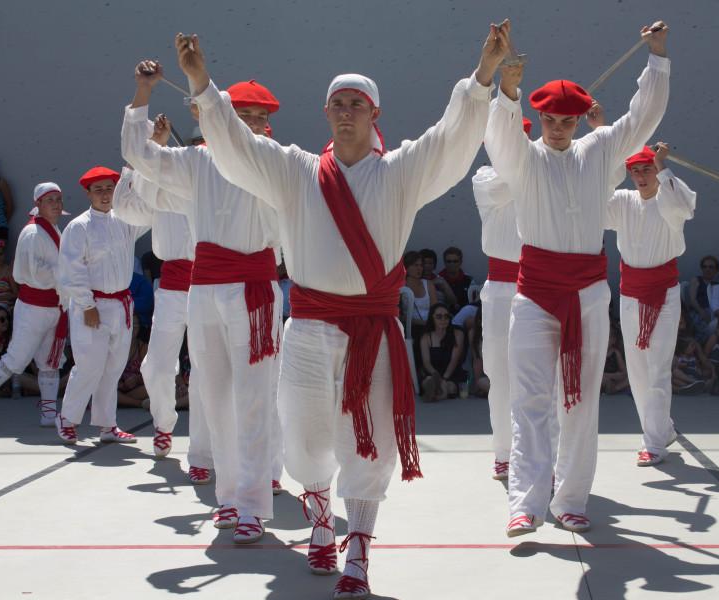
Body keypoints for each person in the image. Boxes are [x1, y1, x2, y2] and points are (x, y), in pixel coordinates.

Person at [180, 21, 507, 596]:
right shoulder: (296, 170)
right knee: (305, 440)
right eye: (337, 104)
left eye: (357, 104)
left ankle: (357, 543)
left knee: (369, 439)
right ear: (326, 113)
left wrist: (483, 75)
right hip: (307, 326)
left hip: (372, 330)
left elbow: (452, 137)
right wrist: (203, 85)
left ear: (374, 113)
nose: (346, 112)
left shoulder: (401, 170)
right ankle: (319, 520)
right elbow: (236, 146)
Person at [484, 21, 669, 535]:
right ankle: (525, 502)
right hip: (535, 293)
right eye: (550, 119)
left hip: (587, 294)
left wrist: (655, 58)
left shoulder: (601, 152)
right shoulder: (523, 160)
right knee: (531, 399)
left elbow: (643, 118)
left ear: (579, 119)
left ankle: (571, 499)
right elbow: (500, 138)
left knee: (581, 399)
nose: (559, 127)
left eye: (567, 120)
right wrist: (509, 89)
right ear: (539, 117)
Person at [123, 63, 285, 544]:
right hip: (205, 290)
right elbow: (139, 155)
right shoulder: (196, 163)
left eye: (260, 117)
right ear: (222, 117)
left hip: (254, 292)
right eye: (243, 115)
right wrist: (142, 92)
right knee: (213, 398)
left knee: (255, 398)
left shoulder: (274, 159)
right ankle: (230, 497)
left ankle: (254, 504)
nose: (252, 125)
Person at [113, 160, 214, 484]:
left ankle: (201, 454)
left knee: (204, 373)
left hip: (208, 286)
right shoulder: (159, 187)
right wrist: (134, 167)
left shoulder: (214, 184)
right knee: (155, 366)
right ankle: (163, 423)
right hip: (171, 288)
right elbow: (125, 211)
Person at [605, 142, 695, 466]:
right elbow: (592, 201)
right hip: (630, 293)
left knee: (657, 369)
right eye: (636, 171)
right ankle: (661, 429)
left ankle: (654, 443)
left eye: (647, 169)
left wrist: (664, 165)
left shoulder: (669, 199)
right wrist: (602, 135)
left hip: (664, 294)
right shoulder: (623, 201)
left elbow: (686, 206)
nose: (641, 176)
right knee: (638, 371)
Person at [55, 166, 150, 445]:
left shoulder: (125, 220)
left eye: (110, 188)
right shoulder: (79, 226)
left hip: (121, 304)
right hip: (92, 305)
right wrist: (87, 305)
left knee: (113, 367)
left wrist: (137, 175)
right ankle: (68, 418)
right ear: (88, 193)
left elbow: (149, 213)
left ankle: (108, 425)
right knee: (89, 365)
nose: (105, 194)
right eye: (99, 189)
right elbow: (72, 270)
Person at [0, 182, 68, 430]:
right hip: (34, 306)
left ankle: (48, 411)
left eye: (58, 199)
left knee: (49, 361)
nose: (55, 204)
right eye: (50, 200)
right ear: (38, 204)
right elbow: (37, 274)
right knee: (17, 358)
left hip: (53, 306)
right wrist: (70, 271)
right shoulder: (33, 233)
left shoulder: (52, 228)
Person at [471, 117, 530, 479]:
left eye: (519, 137)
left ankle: (539, 454)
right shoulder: (485, 177)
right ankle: (504, 452)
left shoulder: (537, 169)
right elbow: (508, 185)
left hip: (536, 286)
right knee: (499, 373)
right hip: (500, 287)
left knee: (538, 376)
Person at [419, 303, 467, 401]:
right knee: (428, 381)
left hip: (451, 373)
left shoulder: (458, 334)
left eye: (446, 316)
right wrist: (436, 375)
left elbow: (454, 360)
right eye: (439, 316)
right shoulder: (426, 337)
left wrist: (444, 378)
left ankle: (436, 394)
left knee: (450, 386)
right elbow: (426, 362)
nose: (443, 320)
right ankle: (436, 392)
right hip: (433, 373)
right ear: (432, 318)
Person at [403, 250, 437, 336]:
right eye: (415, 265)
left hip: (429, 325)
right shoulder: (401, 287)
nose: (419, 268)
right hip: (410, 327)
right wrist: (422, 323)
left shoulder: (428, 284)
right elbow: (399, 315)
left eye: (421, 265)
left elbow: (435, 309)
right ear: (407, 267)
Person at [686, 255, 719, 341]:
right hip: (698, 310)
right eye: (704, 267)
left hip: (715, 312)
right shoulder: (696, 280)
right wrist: (702, 312)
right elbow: (692, 300)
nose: (707, 269)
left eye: (711, 267)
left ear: (716, 270)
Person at [439, 246, 474, 311]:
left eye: (455, 261)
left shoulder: (469, 280)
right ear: (444, 262)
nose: (452, 264)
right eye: (449, 261)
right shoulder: (437, 280)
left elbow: (472, 303)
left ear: (460, 262)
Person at [601, 325, 629, 395]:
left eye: (608, 337)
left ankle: (614, 389)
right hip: (601, 380)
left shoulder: (615, 353)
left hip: (613, 379)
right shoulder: (599, 354)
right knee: (603, 379)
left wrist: (611, 376)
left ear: (613, 340)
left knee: (629, 379)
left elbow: (624, 373)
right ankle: (606, 390)